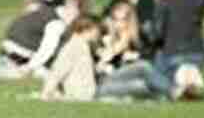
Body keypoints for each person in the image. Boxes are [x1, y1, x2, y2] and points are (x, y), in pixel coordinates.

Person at [40, 17, 173, 101]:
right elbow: (58, 71)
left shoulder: (84, 45)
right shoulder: (73, 47)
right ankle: (170, 93)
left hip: (100, 82)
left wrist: (100, 66)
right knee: (139, 85)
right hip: (91, 92)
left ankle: (172, 90)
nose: (98, 34)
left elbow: (83, 71)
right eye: (96, 30)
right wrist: (47, 93)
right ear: (87, 30)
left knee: (142, 66)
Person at [152, 0, 204, 98]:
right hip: (198, 54)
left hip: (173, 54)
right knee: (186, 65)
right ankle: (189, 76)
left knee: (156, 61)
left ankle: (181, 80)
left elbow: (157, 34)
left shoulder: (165, 2)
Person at [0, 0, 79, 78]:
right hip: (18, 57)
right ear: (71, 11)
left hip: (5, 53)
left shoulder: (44, 11)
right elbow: (47, 49)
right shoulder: (56, 23)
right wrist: (29, 68)